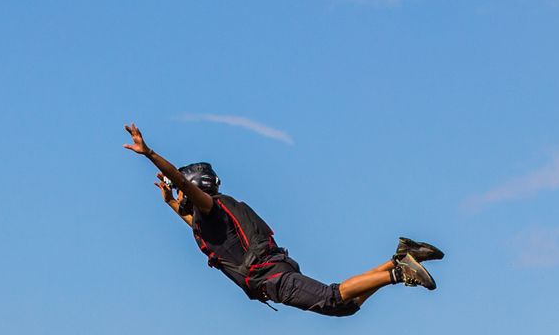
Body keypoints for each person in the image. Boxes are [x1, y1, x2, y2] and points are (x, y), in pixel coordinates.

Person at [123, 122, 442, 316]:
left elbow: (183, 188)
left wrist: (150, 154)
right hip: (273, 270)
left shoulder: (207, 207)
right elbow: (200, 229)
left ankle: (399, 273)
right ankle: (398, 258)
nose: (178, 196)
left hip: (270, 277)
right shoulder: (211, 218)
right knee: (345, 308)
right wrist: (168, 205)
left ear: (193, 189)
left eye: (181, 192)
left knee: (333, 298)